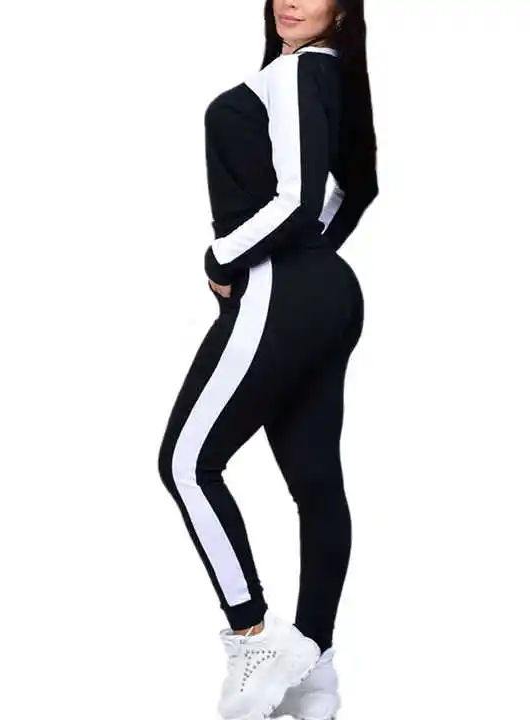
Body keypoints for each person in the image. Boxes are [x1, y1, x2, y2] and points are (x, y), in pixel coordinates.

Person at [157, 1, 378, 717]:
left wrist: (221, 259)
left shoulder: (298, 72)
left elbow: (299, 199)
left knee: (186, 463)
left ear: (342, 9)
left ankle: (253, 636)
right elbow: (356, 190)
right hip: (328, 295)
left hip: (280, 289)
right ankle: (315, 671)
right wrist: (314, 259)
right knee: (316, 482)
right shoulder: (336, 74)